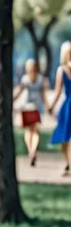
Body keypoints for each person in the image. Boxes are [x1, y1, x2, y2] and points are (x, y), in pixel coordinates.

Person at [13, 58, 48, 166]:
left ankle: (30, 151)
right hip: (37, 107)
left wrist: (12, 99)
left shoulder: (25, 79)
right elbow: (43, 96)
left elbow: (19, 91)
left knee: (28, 131)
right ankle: (33, 150)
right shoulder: (41, 79)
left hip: (27, 107)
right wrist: (48, 106)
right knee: (36, 131)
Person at [47, 41, 71, 176]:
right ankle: (68, 163)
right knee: (65, 135)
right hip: (67, 105)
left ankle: (68, 162)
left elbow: (57, 92)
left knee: (65, 136)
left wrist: (51, 106)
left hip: (68, 105)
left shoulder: (61, 70)